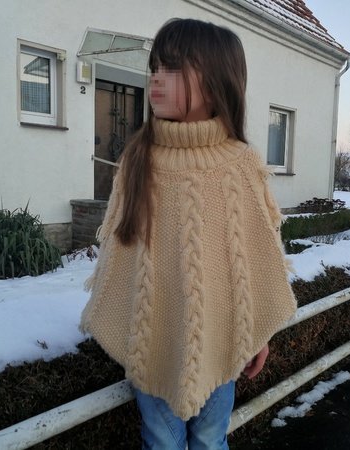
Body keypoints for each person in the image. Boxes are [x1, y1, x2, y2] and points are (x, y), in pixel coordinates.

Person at [80, 18, 296, 450]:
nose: (157, 80)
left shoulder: (241, 163)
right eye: (156, 67)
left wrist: (256, 334)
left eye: (174, 69)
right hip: (153, 345)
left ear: (216, 84)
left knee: (211, 442)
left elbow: (260, 256)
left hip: (221, 340)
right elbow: (119, 256)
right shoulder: (137, 159)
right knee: (161, 443)